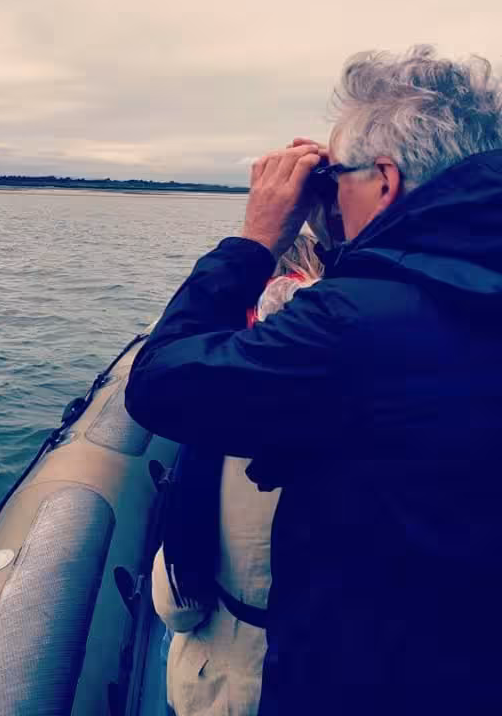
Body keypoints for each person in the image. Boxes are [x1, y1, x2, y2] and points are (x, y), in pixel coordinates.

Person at [125, 45, 502, 715]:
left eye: (339, 179)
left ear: (384, 181)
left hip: (374, 674)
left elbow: (161, 385)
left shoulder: (360, 322)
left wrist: (254, 240)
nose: (332, 198)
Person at [152, 231, 323, 716]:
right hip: (326, 672)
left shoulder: (221, 430)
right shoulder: (362, 412)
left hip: (232, 686)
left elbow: (178, 608)